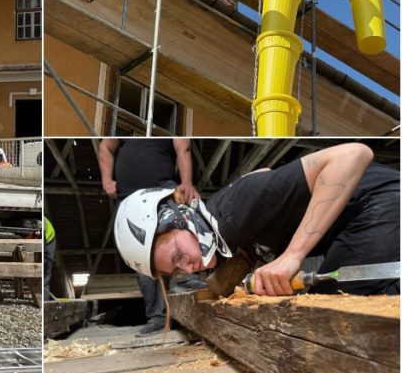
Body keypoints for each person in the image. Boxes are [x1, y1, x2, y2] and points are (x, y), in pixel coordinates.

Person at [115, 142, 399, 298]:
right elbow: (262, 171)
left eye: (178, 255)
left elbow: (353, 154)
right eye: (176, 270)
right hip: (368, 212)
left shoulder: (235, 211)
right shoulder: (226, 226)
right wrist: (244, 261)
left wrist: (292, 255)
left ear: (179, 217)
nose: (188, 269)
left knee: (332, 303)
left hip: (380, 202)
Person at [98, 138, 202, 335]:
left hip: (162, 190)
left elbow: (183, 147)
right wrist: (106, 179)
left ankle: (187, 279)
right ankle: (158, 318)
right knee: (143, 258)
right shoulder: (124, 132)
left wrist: (186, 183)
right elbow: (105, 146)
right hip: (129, 198)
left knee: (178, 235)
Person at [43, 217, 56, 298]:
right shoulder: (44, 221)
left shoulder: (43, 224)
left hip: (48, 245)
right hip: (47, 242)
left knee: (45, 278)